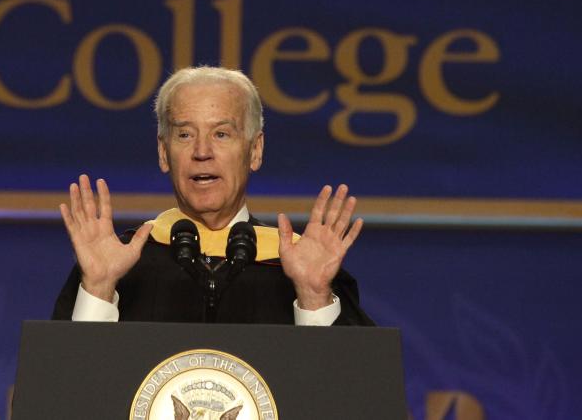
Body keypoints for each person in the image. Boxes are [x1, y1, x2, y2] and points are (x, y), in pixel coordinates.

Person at [52, 66, 373, 325]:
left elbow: (349, 396)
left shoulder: (301, 267)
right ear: (164, 153)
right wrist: (98, 289)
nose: (202, 152)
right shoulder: (119, 265)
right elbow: (65, 394)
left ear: (255, 150)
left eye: (221, 134)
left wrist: (313, 297)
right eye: (185, 134)